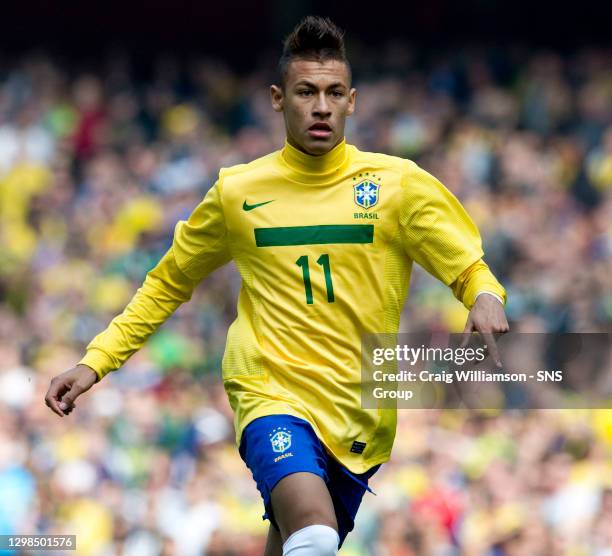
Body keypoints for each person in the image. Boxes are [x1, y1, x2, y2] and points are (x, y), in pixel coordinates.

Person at [45, 16, 509, 556]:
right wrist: (94, 361)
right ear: (277, 98)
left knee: (298, 541)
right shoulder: (237, 192)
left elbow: (466, 264)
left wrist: (486, 296)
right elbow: (168, 282)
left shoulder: (396, 185)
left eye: (335, 93)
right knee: (314, 535)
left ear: (352, 101)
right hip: (269, 392)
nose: (321, 106)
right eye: (306, 92)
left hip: (358, 412)